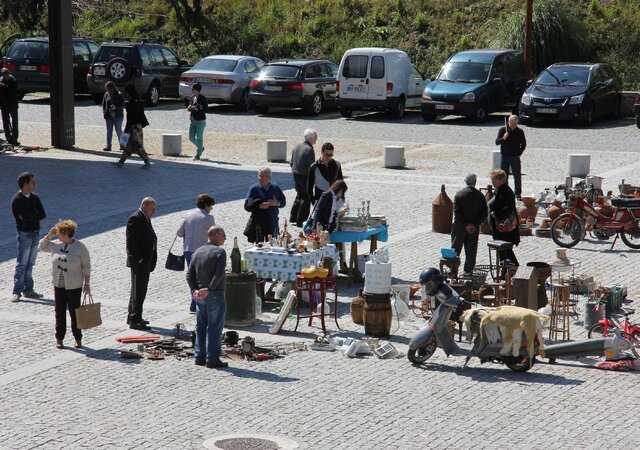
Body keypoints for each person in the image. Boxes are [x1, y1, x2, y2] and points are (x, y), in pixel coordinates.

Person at [39, 220, 91, 349]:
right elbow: (41, 246)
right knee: (59, 312)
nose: (57, 235)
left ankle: (78, 338)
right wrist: (49, 235)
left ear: (66, 233)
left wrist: (87, 283)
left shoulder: (80, 247)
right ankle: (59, 338)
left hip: (74, 285)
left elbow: (86, 266)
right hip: (59, 284)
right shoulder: (56, 245)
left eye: (59, 233)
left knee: (75, 312)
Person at [186, 226, 229, 369]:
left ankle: (199, 356)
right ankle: (212, 359)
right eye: (223, 235)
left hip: (200, 296)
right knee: (215, 327)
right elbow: (219, 274)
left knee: (201, 326)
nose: (225, 237)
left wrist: (195, 290)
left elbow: (189, 274)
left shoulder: (197, 252)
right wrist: (208, 289)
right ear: (216, 235)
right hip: (214, 294)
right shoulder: (220, 252)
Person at [176, 194, 216, 313]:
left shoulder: (188, 214)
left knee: (192, 277)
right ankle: (198, 303)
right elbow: (213, 235)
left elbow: (179, 233)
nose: (211, 209)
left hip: (188, 250)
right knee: (202, 278)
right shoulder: (209, 218)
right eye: (211, 206)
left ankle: (194, 302)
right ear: (206, 205)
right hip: (201, 252)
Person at [11, 172, 46, 302]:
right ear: (25, 185)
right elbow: (24, 218)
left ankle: (28, 290)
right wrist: (32, 215)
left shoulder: (35, 197)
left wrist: (31, 216)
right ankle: (17, 291)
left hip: (36, 232)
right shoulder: (17, 200)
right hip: (24, 234)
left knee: (30, 263)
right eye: (32, 182)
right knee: (22, 263)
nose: (35, 184)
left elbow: (42, 214)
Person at [126, 197, 158, 329]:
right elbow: (131, 243)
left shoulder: (144, 217)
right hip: (139, 262)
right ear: (144, 206)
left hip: (145, 261)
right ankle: (135, 319)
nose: (154, 212)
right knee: (138, 291)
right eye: (152, 209)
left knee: (138, 290)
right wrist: (140, 259)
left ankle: (132, 316)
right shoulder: (136, 218)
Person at [451, 173, 488, 275]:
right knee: (471, 251)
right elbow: (484, 213)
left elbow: (457, 212)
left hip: (460, 227)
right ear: (475, 182)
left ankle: (453, 271)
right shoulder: (480, 196)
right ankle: (468, 271)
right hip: (473, 229)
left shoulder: (459, 194)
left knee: (455, 250)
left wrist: (466, 224)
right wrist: (474, 224)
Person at [243, 167, 287, 243]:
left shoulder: (275, 188)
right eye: (259, 176)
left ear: (269, 177)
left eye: (262, 176)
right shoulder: (254, 189)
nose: (260, 178)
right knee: (260, 246)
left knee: (273, 244)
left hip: (272, 223)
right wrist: (259, 206)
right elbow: (247, 206)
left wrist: (277, 203)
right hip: (259, 224)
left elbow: (283, 202)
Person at [113, 85, 151, 168]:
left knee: (138, 145)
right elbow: (141, 115)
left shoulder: (130, 104)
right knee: (129, 146)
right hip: (138, 126)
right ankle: (121, 162)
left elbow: (129, 118)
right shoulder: (139, 102)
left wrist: (126, 129)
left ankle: (147, 161)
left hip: (133, 127)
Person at [488, 169, 520, 266]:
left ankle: (513, 270)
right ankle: (505, 272)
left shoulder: (505, 191)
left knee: (506, 252)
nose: (492, 182)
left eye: (494, 179)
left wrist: (496, 214)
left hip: (506, 231)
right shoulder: (500, 190)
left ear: (501, 180)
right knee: (503, 252)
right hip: (501, 230)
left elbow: (508, 208)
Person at [289, 128, 317, 227]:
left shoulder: (297, 146)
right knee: (306, 197)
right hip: (305, 176)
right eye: (315, 137)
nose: (316, 139)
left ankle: (293, 217)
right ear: (311, 138)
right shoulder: (309, 149)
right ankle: (301, 220)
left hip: (296, 174)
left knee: (299, 195)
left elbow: (291, 162)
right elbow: (311, 166)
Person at [495, 114, 526, 199]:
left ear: (516, 123)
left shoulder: (520, 131)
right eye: (510, 122)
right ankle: (505, 192)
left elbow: (523, 144)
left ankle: (518, 193)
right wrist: (503, 138)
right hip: (504, 156)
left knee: (517, 176)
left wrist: (519, 153)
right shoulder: (502, 130)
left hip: (515, 157)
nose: (511, 124)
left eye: (513, 123)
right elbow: (497, 142)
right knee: (504, 176)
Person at [101, 81, 125, 152]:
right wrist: (104, 112)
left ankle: (122, 145)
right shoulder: (106, 95)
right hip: (109, 116)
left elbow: (123, 105)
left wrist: (116, 107)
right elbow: (103, 104)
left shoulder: (119, 94)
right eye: (106, 89)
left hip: (118, 115)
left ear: (112, 88)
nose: (107, 90)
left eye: (108, 89)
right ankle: (108, 146)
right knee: (109, 131)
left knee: (119, 130)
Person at [187, 82, 208, 160]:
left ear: (197, 90)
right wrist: (189, 108)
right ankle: (201, 147)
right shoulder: (192, 97)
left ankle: (198, 154)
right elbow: (190, 106)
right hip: (193, 120)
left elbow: (206, 109)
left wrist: (198, 109)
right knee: (191, 137)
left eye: (193, 89)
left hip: (201, 121)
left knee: (199, 138)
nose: (192, 90)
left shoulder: (203, 98)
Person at [0, 67, 20, 146]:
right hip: (4, 104)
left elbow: (12, 91)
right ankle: (8, 138)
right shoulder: (1, 80)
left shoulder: (13, 81)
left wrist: (3, 86)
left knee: (14, 122)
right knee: (6, 122)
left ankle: (14, 138)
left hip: (13, 104)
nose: (6, 75)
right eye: (4, 74)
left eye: (7, 73)